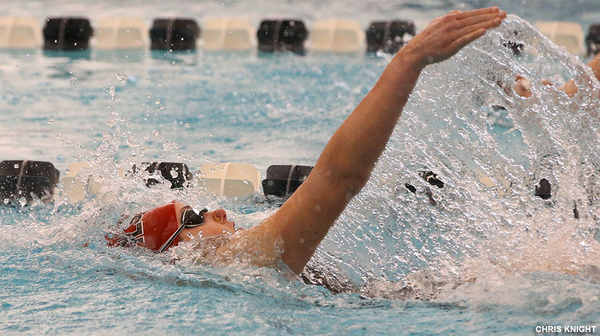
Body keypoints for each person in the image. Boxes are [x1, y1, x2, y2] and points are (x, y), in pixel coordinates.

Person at [108, 8, 507, 276]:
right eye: (194, 219)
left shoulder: (244, 263)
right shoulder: (248, 256)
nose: (218, 210)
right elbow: (339, 178)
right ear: (178, 254)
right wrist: (409, 61)